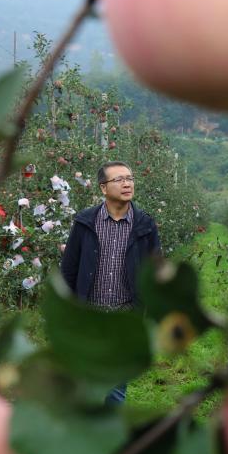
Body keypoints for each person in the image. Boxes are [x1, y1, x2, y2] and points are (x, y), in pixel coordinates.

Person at [60, 161, 161, 405]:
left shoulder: (145, 226)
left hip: (124, 318)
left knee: (115, 389)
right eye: (119, 179)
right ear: (103, 188)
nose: (127, 184)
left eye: (130, 178)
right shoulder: (85, 222)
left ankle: (111, 438)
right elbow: (69, 270)